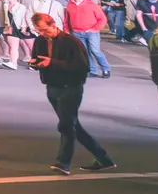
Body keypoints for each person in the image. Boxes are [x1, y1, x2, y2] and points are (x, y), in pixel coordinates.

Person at [29, 12, 116, 174]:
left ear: (53, 25)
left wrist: (52, 63)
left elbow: (82, 67)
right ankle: (103, 158)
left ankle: (64, 163)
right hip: (52, 86)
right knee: (73, 124)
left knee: (66, 125)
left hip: (71, 87)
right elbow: (37, 58)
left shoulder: (71, 42)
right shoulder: (40, 40)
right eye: (38, 30)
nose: (42, 34)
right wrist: (35, 63)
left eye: (44, 30)